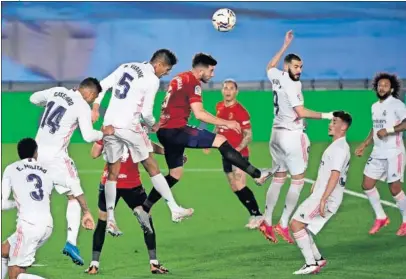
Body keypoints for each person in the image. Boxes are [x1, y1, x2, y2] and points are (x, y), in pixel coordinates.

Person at [141, 52, 274, 214]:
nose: (213, 74)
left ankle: (145, 207)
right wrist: (227, 123)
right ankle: (257, 174)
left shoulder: (179, 77)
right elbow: (200, 114)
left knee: (175, 174)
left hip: (165, 131)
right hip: (176, 129)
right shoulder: (193, 83)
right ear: (202, 71)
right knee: (220, 140)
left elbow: (170, 105)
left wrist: (158, 124)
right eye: (211, 71)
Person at [91, 49, 193, 236]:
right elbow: (146, 113)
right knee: (151, 166)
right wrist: (154, 126)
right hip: (129, 126)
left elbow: (101, 86)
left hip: (110, 124)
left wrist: (96, 107)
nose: (166, 73)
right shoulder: (152, 79)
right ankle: (174, 208)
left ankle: (111, 220)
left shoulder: (126, 66)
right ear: (159, 65)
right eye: (167, 69)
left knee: (113, 171)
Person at [259, 30, 335, 244]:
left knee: (279, 178)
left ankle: (266, 221)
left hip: (275, 135)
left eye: (301, 67)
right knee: (298, 181)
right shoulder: (293, 84)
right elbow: (301, 112)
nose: (299, 70)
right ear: (287, 67)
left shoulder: (278, 76)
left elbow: (268, 67)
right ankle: (282, 224)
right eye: (295, 66)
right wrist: (328, 115)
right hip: (292, 137)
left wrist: (284, 46)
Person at [30, 78, 112, 265]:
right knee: (74, 196)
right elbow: (88, 135)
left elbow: (34, 99)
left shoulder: (57, 91)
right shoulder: (81, 105)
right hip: (56, 158)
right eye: (94, 98)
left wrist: (50, 102)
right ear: (90, 93)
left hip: (37, 154)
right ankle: (71, 242)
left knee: (40, 202)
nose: (92, 102)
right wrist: (105, 133)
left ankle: (25, 246)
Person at [1, 138, 95, 279]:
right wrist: (86, 211)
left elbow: (2, 204)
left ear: (19, 153)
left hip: (28, 226)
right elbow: (73, 184)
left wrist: (17, 203)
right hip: (46, 226)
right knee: (4, 250)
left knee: (16, 274)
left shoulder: (11, 169)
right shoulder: (47, 170)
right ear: (36, 153)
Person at [85, 138, 172, 275]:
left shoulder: (108, 131)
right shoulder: (135, 129)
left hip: (109, 182)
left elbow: (94, 153)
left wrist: (103, 142)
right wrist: (168, 152)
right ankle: (154, 263)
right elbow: (150, 147)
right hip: (132, 184)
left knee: (102, 222)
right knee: (146, 220)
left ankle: (94, 265)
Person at [290, 111, 352, 275]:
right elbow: (328, 170)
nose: (330, 124)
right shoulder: (337, 146)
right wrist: (317, 184)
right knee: (304, 227)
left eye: (334, 122)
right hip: (322, 194)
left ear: (344, 127)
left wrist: (323, 199)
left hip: (327, 197)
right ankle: (317, 259)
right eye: (331, 121)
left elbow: (335, 174)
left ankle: (311, 264)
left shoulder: (339, 148)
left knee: (296, 224)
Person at [204, 79, 262, 229]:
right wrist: (209, 141)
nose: (228, 91)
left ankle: (258, 214)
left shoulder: (241, 111)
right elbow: (217, 126)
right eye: (225, 88)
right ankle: (253, 213)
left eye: (231, 88)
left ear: (236, 92)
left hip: (239, 154)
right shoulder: (219, 106)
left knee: (240, 184)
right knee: (234, 187)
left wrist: (237, 150)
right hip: (225, 154)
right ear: (222, 90)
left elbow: (248, 135)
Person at [355, 72, 406, 236]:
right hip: (378, 152)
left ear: (391, 88)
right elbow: (375, 128)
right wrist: (364, 144)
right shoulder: (375, 106)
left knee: (394, 189)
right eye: (379, 85)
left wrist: (390, 130)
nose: (382, 87)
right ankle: (381, 217)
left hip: (394, 152)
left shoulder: (397, 104)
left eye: (385, 85)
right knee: (367, 184)